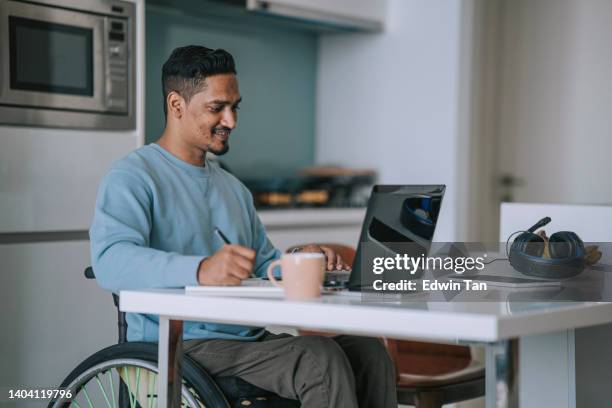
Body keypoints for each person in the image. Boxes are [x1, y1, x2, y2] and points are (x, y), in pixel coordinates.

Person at [90, 45, 397, 407]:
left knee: (367, 352)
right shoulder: (133, 176)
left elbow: (265, 264)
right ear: (176, 106)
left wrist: (301, 260)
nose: (231, 121)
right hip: (177, 346)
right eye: (217, 108)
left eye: (235, 107)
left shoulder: (232, 187)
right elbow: (110, 261)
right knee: (318, 359)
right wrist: (202, 269)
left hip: (244, 341)